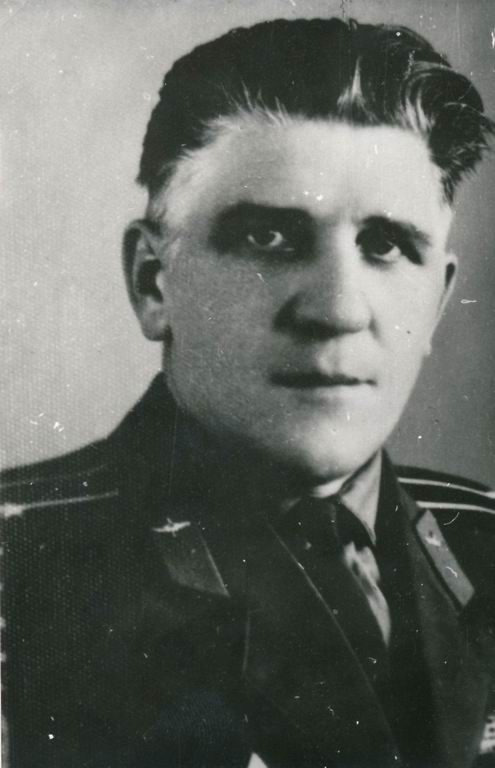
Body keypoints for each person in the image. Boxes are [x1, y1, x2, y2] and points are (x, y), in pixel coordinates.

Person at [2, 16, 495, 768]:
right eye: (269, 238)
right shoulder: (19, 571)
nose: (337, 309)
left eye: (386, 245)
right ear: (153, 282)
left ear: (435, 303)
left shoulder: (482, 541)